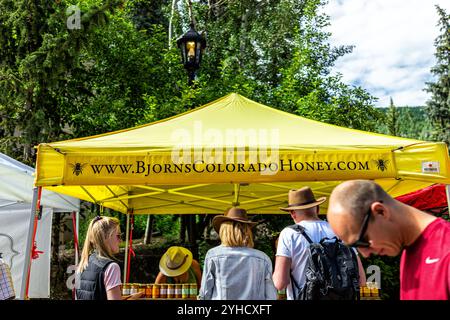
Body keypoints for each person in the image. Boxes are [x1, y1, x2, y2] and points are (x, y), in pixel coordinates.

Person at [326, 180, 450, 300]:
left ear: (380, 212)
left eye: (362, 241)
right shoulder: (410, 250)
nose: (365, 254)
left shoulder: (445, 249)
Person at [273, 187, 366, 300]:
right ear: (317, 208)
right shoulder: (341, 230)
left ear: (292, 213)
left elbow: (280, 283)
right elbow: (361, 280)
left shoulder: (289, 234)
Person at [198, 207, 277, 300]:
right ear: (247, 231)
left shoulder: (213, 255)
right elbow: (271, 296)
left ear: (223, 230)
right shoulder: (262, 258)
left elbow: (205, 293)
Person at [76, 216, 142, 300]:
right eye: (118, 236)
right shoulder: (111, 267)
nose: (120, 240)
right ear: (106, 237)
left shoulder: (83, 263)